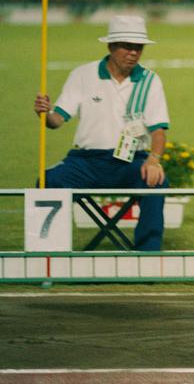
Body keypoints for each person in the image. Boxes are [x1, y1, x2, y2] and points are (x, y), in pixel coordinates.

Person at [33, 15, 170, 251]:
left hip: (130, 161)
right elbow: (57, 121)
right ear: (111, 46)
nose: (134, 53)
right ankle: (48, 255)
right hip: (85, 162)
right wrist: (45, 113)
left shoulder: (150, 80)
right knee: (47, 181)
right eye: (127, 47)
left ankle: (148, 256)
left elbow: (158, 129)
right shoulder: (82, 75)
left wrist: (154, 160)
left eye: (138, 47)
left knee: (157, 182)